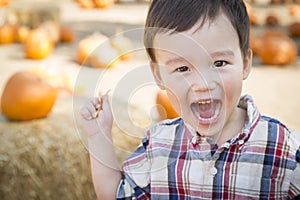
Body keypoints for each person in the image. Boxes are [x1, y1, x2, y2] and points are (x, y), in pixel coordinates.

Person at [80, 0, 300, 199]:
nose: (203, 83)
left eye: (219, 63)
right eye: (183, 68)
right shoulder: (157, 145)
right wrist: (98, 136)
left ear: (245, 62)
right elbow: (116, 195)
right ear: (158, 75)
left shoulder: (285, 149)